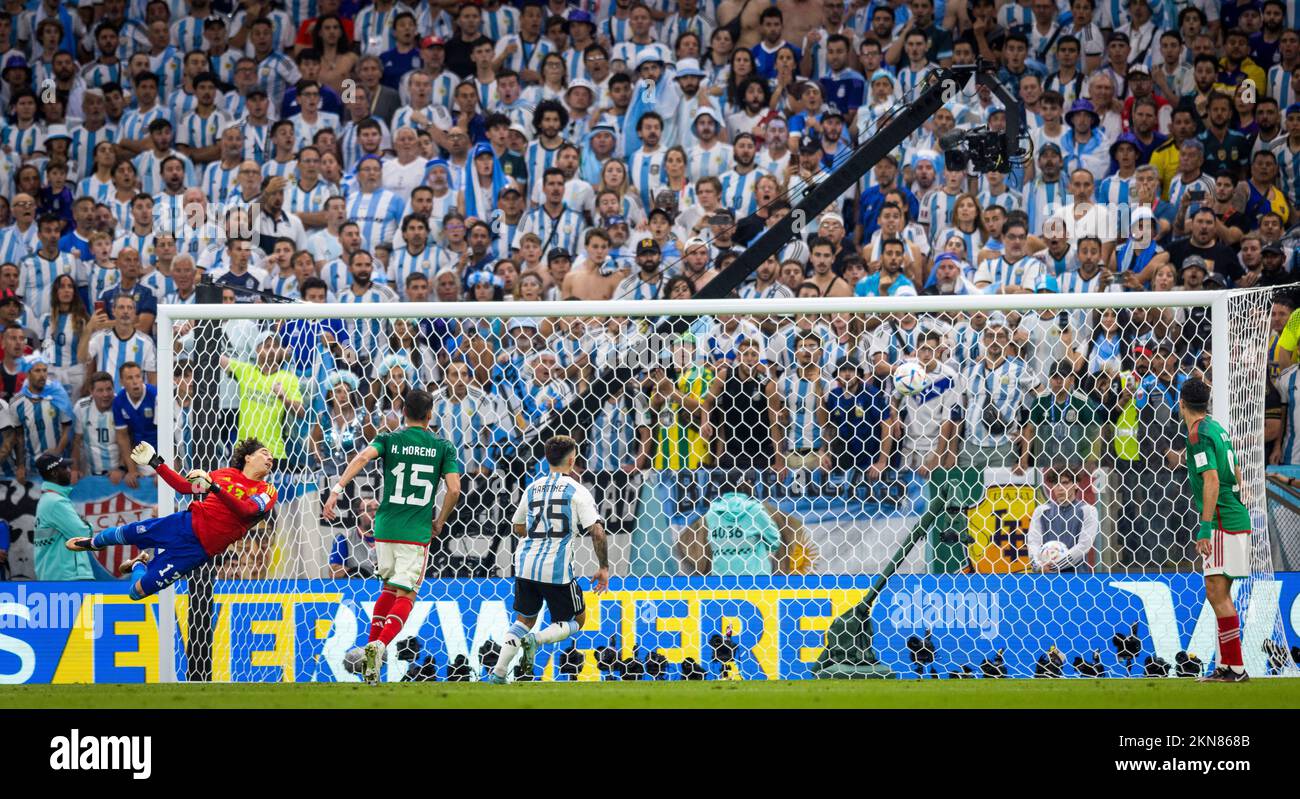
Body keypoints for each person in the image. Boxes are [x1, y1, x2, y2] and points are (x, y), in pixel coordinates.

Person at [322, 388, 462, 685]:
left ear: (402, 412)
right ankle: (379, 646)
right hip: (415, 529)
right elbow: (453, 490)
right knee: (407, 593)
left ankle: (371, 658)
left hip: (384, 528)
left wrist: (336, 491)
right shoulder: (443, 446)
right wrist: (439, 520)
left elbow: (361, 457)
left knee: (388, 588)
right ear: (430, 415)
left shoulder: (389, 439)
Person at [66, 438, 279, 601]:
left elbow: (246, 510)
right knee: (128, 532)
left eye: (271, 457)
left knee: (136, 592)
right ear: (248, 457)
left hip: (197, 551)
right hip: (183, 524)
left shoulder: (267, 490)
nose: (270, 458)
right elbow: (184, 487)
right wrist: (155, 462)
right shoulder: (225, 474)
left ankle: (140, 563)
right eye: (264, 453)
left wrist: (214, 487)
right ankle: (92, 544)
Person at [488, 435, 607, 684]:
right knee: (576, 620)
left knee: (524, 620)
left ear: (546, 458)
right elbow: (597, 531)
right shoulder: (577, 490)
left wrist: (538, 533)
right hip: (556, 569)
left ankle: (498, 674)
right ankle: (537, 640)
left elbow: (518, 526)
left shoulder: (533, 487)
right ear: (572, 460)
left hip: (525, 564)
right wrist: (604, 567)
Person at [1179, 377, 1252, 682]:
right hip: (1235, 517)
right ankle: (1227, 666)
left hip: (1222, 521)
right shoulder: (1216, 427)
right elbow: (1236, 470)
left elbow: (1211, 479)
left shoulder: (1197, 434)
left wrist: (1205, 527)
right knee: (1221, 594)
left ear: (1181, 403)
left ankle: (1234, 668)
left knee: (1216, 594)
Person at [33, 452, 111, 580]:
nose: (69, 471)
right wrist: (86, 525)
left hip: (55, 575)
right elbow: (83, 535)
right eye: (64, 468)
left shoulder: (47, 499)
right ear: (54, 473)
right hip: (67, 577)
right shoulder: (56, 502)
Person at [677, 481, 781, 576]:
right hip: (755, 577)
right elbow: (775, 541)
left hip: (721, 577)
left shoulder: (712, 513)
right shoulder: (755, 510)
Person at [1025, 468, 1099, 573]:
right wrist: (1038, 566)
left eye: (1065, 483)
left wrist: (1054, 566)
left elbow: (1084, 546)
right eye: (1056, 484)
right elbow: (1033, 542)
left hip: (1077, 577)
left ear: (1076, 484)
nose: (1060, 488)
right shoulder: (1041, 511)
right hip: (1046, 577)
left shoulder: (1088, 511)